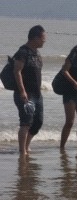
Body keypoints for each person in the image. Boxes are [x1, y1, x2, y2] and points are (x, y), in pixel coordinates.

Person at [13, 25, 46, 157]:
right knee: (26, 122)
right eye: (43, 38)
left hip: (37, 94)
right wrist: (22, 91)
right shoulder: (23, 52)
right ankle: (22, 151)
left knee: (38, 122)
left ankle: (26, 145)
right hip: (26, 94)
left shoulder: (36, 52)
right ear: (36, 38)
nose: (44, 41)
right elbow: (17, 71)